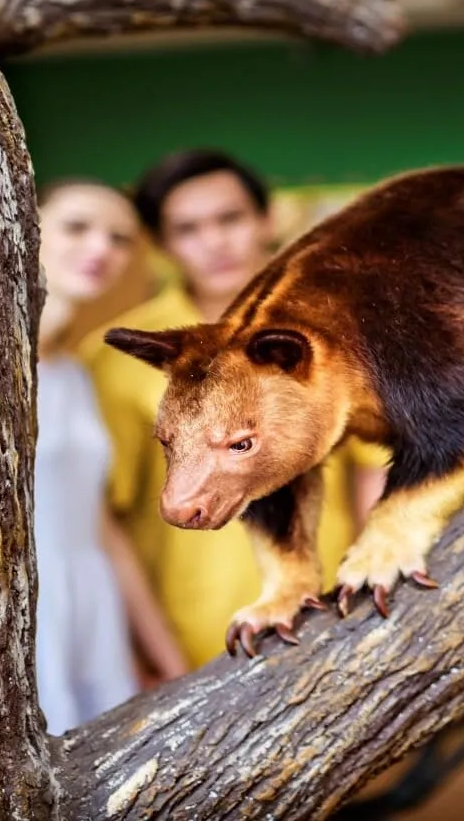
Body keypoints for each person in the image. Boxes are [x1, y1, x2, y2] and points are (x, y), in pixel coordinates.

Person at [80, 149, 388, 668]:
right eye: (188, 229)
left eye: (230, 219)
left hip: (325, 614)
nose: (215, 242)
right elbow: (104, 523)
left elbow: (371, 473)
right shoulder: (122, 357)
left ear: (266, 220)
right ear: (160, 246)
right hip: (188, 635)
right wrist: (147, 658)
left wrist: (361, 603)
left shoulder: (333, 335)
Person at [32, 178, 189, 734]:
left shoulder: (74, 373)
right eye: (77, 227)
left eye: (120, 238)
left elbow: (101, 529)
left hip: (92, 606)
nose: (101, 249)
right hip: (27, 610)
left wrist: (170, 665)